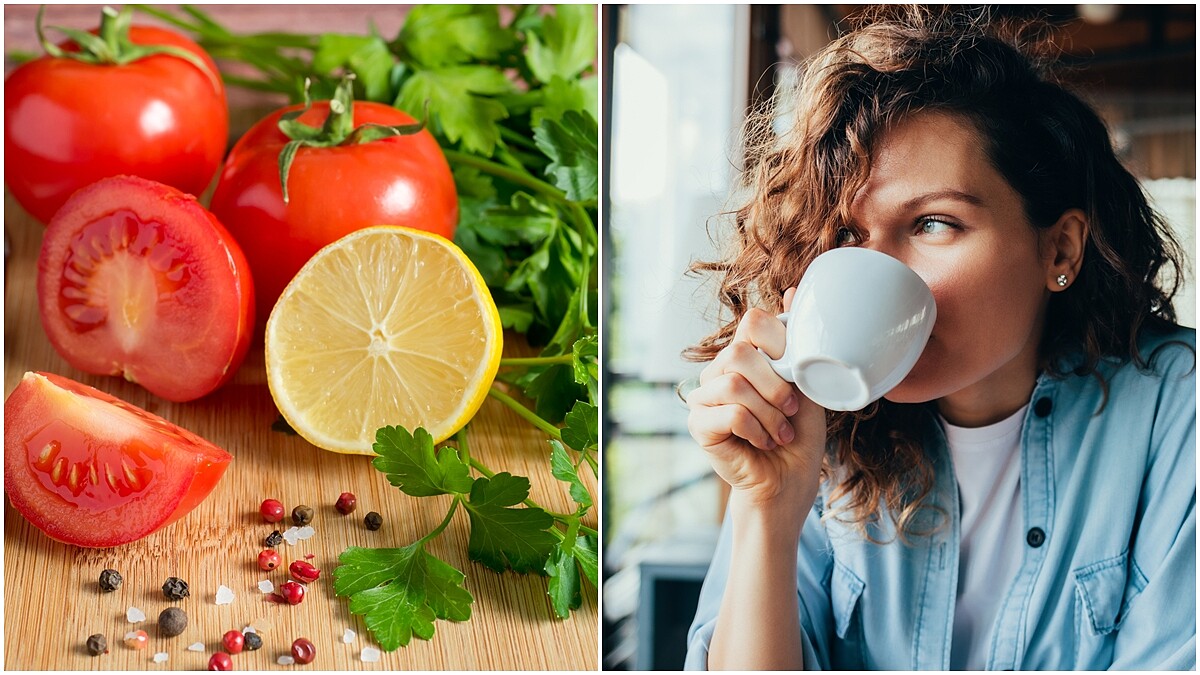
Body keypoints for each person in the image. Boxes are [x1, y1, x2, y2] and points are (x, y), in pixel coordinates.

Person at [682, 6, 1195, 671]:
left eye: (932, 223)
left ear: (1059, 247)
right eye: (847, 236)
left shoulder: (1177, 414)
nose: (880, 269)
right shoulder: (815, 432)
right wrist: (766, 513)